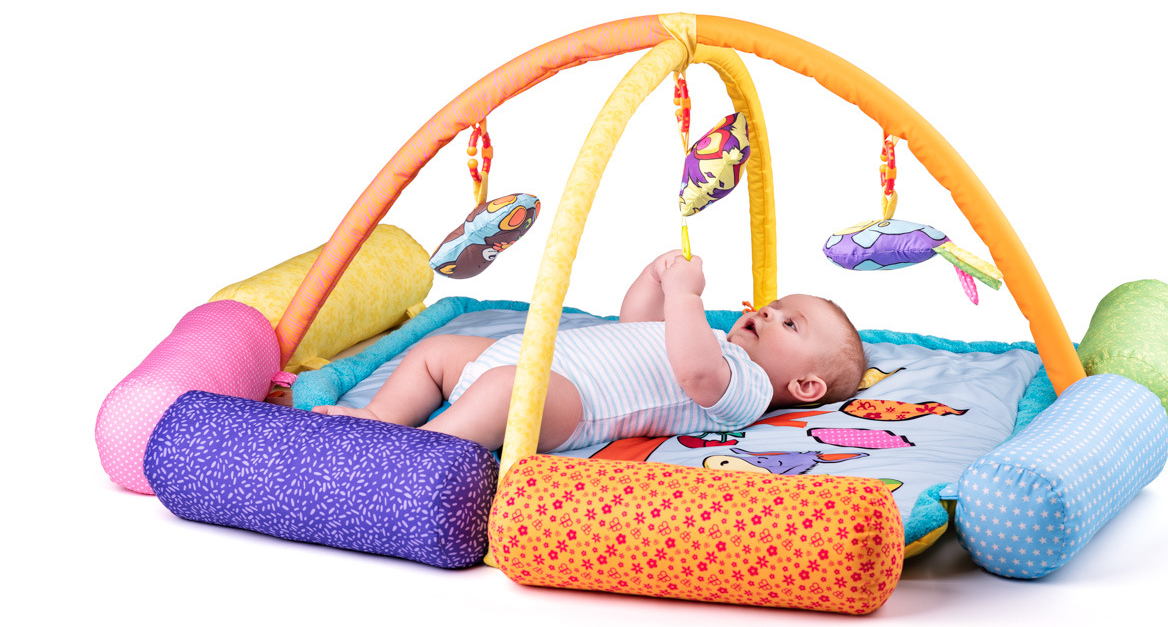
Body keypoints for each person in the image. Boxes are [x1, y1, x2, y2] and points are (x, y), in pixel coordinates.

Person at [314, 250, 865, 452]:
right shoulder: (714, 340)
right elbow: (636, 326)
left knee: (507, 391)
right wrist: (654, 278)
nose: (766, 312)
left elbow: (696, 374)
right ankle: (380, 417)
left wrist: (686, 296)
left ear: (805, 386)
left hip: (570, 401)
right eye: (772, 305)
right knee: (437, 350)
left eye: (789, 322)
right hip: (526, 358)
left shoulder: (746, 387)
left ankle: (424, 450)